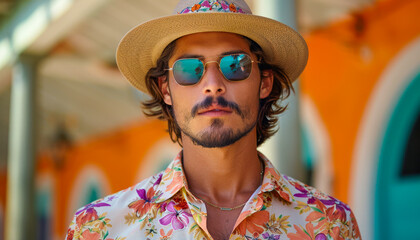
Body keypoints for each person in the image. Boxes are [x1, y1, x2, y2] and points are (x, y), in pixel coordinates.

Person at [65, 0, 361, 239]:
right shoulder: (99, 228)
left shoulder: (330, 224)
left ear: (265, 82)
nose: (213, 84)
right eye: (189, 68)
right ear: (166, 89)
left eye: (235, 64)